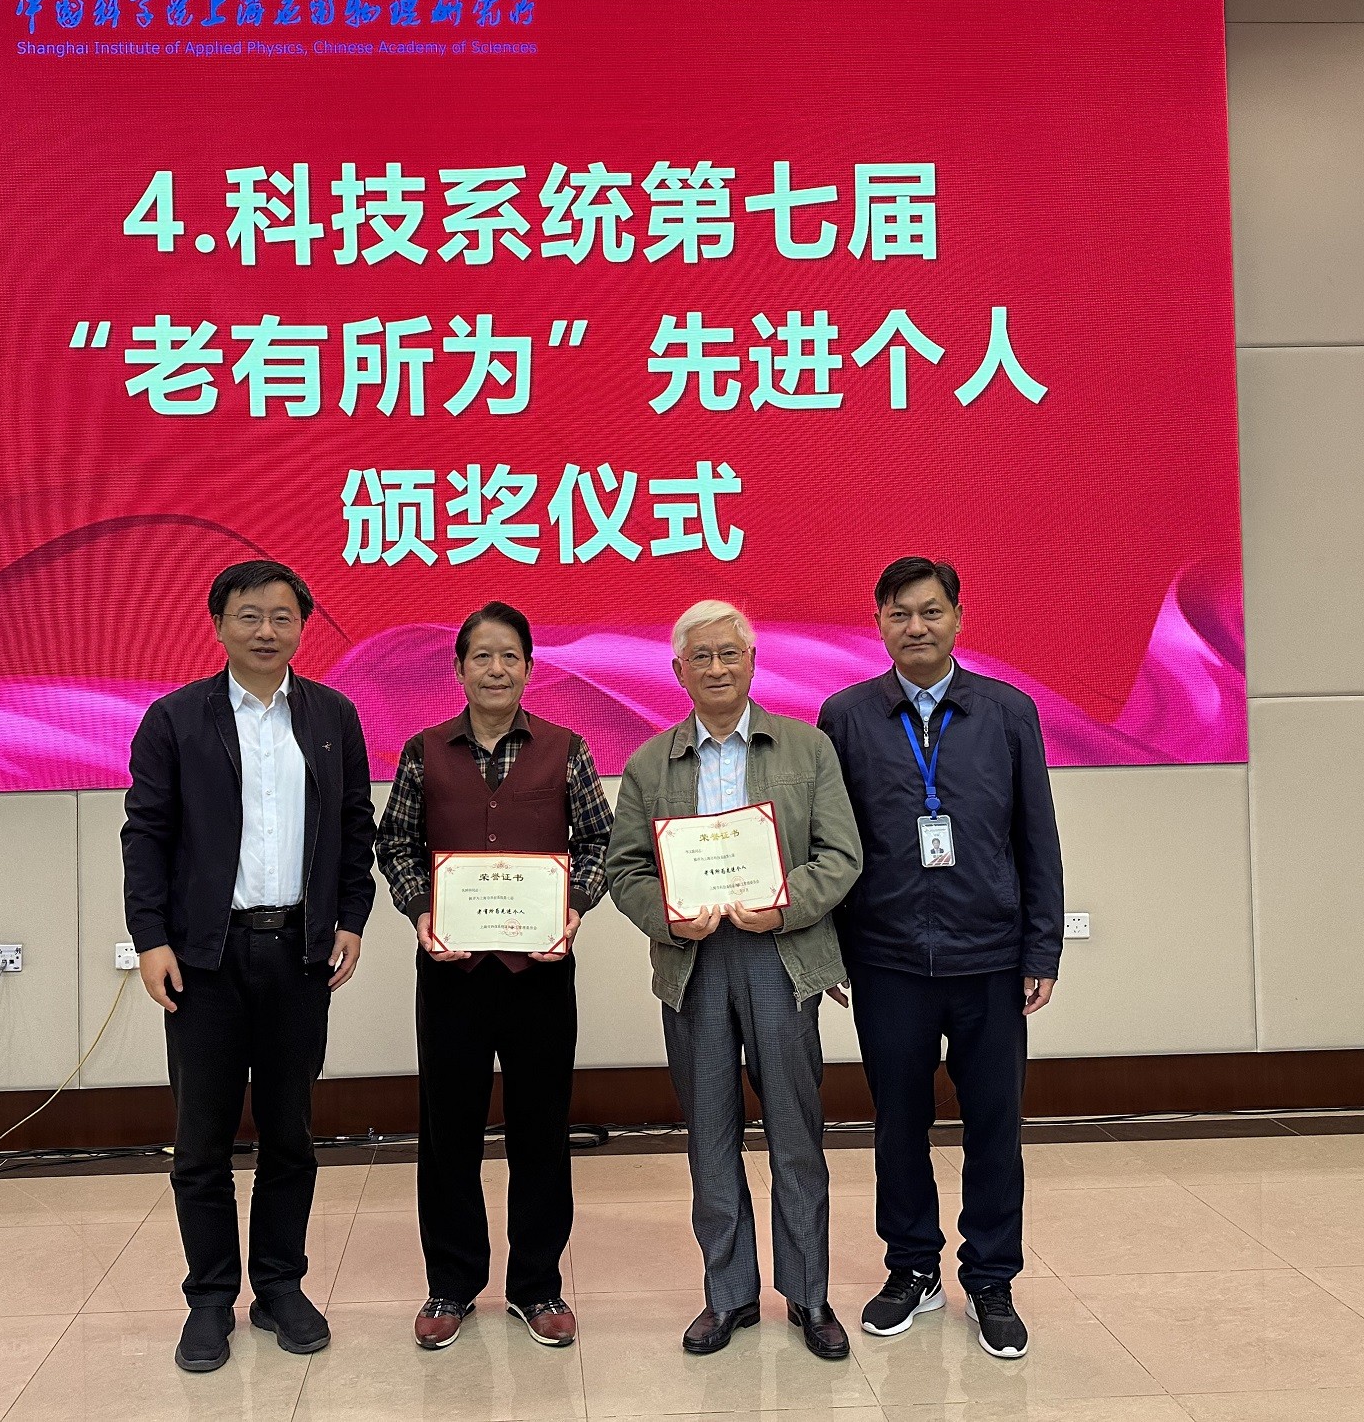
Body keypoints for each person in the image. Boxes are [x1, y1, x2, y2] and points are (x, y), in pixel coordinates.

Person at [121, 559, 376, 1368]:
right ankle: (209, 1299)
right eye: (249, 615)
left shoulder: (332, 715)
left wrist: (352, 918)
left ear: (302, 627)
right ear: (219, 624)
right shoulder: (175, 719)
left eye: (282, 617)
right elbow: (146, 835)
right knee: (201, 1139)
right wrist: (150, 939)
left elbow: (355, 827)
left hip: (299, 951)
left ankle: (279, 1287)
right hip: (205, 958)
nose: (266, 630)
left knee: (289, 1133)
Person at [818, 557, 1064, 1362]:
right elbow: (830, 842)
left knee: (995, 1126)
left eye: (930, 611)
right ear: (878, 624)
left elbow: (1036, 835)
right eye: (899, 614)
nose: (916, 627)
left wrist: (1042, 946)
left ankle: (991, 1278)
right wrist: (833, 949)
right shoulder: (846, 717)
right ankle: (913, 1268)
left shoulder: (1007, 712)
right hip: (887, 960)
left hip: (989, 957)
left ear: (959, 617)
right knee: (899, 1125)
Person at [605, 600, 863, 1362]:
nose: (716, 668)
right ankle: (728, 1294)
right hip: (694, 965)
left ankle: (809, 1294)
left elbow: (841, 856)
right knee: (709, 1136)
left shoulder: (807, 749)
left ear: (752, 662)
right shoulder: (650, 763)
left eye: (729, 654)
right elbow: (624, 869)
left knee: (794, 1130)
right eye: (701, 657)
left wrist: (782, 904)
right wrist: (667, 916)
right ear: (678, 671)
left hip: (781, 956)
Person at [375, 601, 614, 1351]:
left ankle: (537, 1286)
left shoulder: (566, 748)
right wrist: (420, 911)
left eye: (510, 656)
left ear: (530, 668)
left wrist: (573, 909)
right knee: (449, 1131)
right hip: (450, 971)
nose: (497, 669)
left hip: (541, 969)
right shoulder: (423, 751)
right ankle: (451, 1283)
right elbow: (396, 843)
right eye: (482, 656)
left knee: (542, 1128)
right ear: (459, 668)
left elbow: (600, 842)